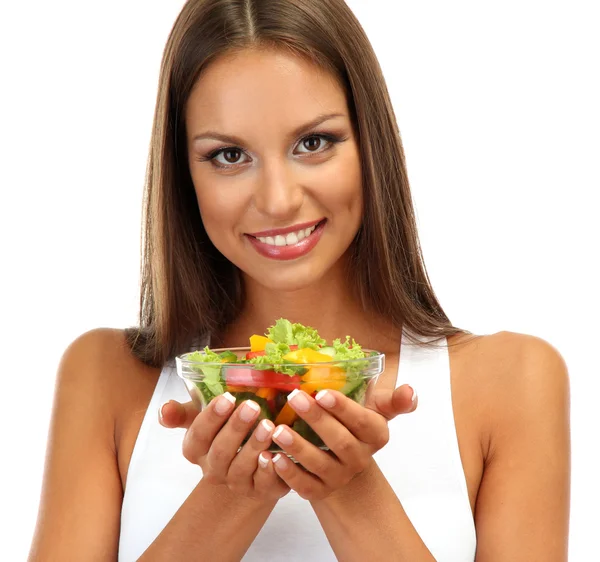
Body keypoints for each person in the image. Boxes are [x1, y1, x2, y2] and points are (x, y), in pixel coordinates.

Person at [28, 0, 570, 560]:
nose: (279, 200)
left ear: (369, 144)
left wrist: (351, 488)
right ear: (182, 174)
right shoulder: (106, 378)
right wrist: (228, 494)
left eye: (313, 143)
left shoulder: (514, 382)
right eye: (229, 154)